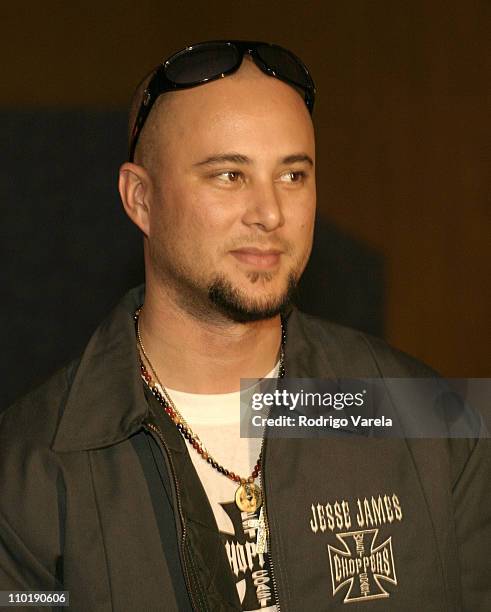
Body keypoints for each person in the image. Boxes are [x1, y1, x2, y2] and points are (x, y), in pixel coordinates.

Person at [0, 40, 489, 612]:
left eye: (293, 176)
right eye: (229, 175)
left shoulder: (434, 425)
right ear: (140, 199)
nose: (270, 213)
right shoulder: (28, 473)